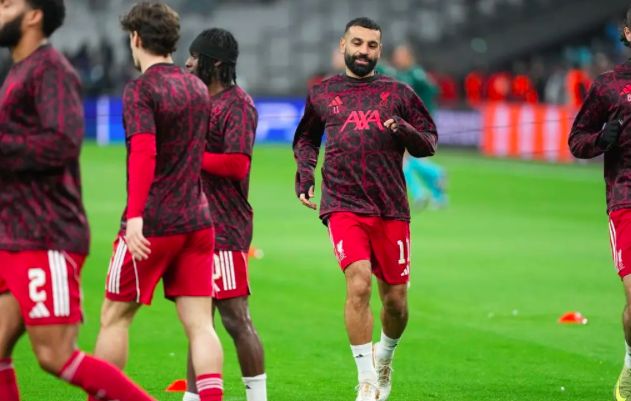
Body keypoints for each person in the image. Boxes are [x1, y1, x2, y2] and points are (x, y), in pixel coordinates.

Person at [0, 1, 155, 400]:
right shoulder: (19, 70)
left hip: (45, 234)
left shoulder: (50, 70)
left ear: (34, 15)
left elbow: (62, 142)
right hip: (13, 234)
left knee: (55, 355)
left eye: (6, 4)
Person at [293, 17, 438, 401]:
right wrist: (305, 173)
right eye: (357, 43)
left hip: (390, 206)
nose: (363, 51)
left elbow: (429, 142)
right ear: (344, 45)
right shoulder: (322, 92)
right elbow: (306, 139)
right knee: (358, 283)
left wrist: (405, 131)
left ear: (379, 50)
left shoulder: (399, 93)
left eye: (371, 45)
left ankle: (384, 355)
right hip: (342, 203)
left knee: (396, 302)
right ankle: (367, 380)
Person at [89, 3, 223, 401]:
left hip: (153, 224)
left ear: (135, 38)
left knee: (114, 318)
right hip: (197, 222)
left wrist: (135, 217)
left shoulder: (141, 89)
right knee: (201, 325)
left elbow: (144, 152)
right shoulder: (197, 87)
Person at [183, 28, 266, 401]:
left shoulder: (238, 105)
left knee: (235, 318)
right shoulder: (196, 101)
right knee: (198, 322)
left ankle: (257, 397)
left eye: (194, 56)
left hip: (225, 227)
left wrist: (188, 156)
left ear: (215, 63)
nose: (187, 63)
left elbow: (236, 165)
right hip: (194, 224)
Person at [568, 6, 631, 399]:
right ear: (628, 33)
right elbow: (577, 141)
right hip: (627, 196)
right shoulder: (608, 86)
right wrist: (601, 139)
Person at [380, 44, 447, 209]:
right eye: (396, 55)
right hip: (407, 121)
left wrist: (424, 116)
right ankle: (436, 188)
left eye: (401, 55)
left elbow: (433, 90)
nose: (397, 58)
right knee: (408, 158)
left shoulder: (416, 74)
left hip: (416, 122)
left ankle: (420, 191)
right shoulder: (400, 73)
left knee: (403, 158)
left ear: (409, 57)